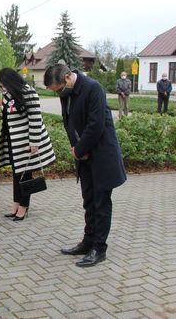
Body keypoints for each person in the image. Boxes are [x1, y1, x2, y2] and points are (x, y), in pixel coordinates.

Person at [44, 60, 126, 267]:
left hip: (101, 156)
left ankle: (99, 249)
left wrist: (81, 150)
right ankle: (87, 242)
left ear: (67, 77)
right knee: (89, 202)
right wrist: (78, 151)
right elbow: (70, 123)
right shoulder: (68, 93)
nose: (59, 94)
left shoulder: (93, 88)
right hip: (84, 157)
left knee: (101, 203)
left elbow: (96, 124)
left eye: (59, 89)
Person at [0, 68, 56, 221]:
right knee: (17, 175)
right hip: (12, 141)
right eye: (0, 85)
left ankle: (23, 208)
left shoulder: (29, 92)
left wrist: (34, 142)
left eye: (3, 84)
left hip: (25, 142)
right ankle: (16, 205)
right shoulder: (8, 94)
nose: (2, 87)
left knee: (25, 175)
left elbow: (35, 117)